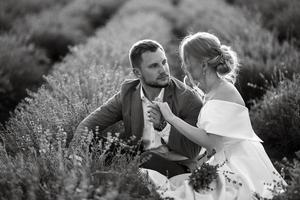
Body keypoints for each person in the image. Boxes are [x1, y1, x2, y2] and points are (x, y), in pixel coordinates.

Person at [144, 32, 286, 199]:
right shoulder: (217, 89)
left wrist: (171, 118)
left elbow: (213, 145)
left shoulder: (221, 94)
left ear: (203, 65)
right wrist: (193, 89)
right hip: (236, 157)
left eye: (187, 62)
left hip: (236, 166)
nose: (184, 67)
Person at [69, 39, 203, 177]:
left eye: (164, 62)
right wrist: (73, 155)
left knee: (148, 158)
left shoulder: (188, 98)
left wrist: (163, 125)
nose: (163, 70)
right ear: (137, 73)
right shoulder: (129, 92)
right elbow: (88, 124)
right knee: (92, 142)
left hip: (177, 165)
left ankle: (114, 177)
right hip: (138, 156)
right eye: (154, 66)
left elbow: (192, 151)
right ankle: (102, 175)